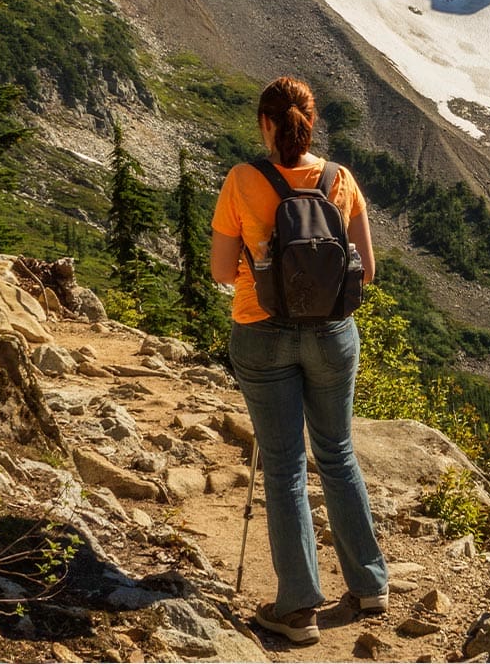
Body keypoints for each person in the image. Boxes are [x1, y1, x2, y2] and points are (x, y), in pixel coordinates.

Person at [210, 76, 389, 646]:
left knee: (285, 467)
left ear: (266, 124)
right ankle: (369, 584)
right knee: (337, 452)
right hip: (333, 334)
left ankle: (297, 608)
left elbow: (218, 271)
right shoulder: (340, 180)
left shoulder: (242, 180)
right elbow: (368, 271)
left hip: (261, 332)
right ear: (311, 122)